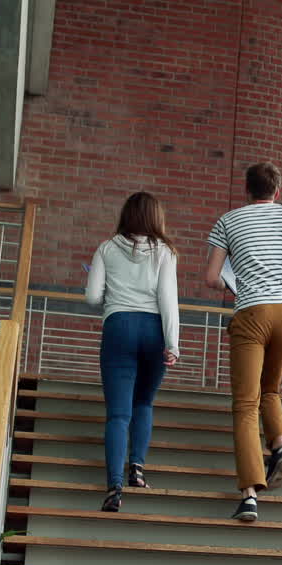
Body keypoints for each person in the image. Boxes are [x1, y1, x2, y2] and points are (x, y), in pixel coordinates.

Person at [206, 162, 282, 522]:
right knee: (271, 389)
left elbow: (211, 278)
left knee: (245, 403)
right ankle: (279, 446)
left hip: (252, 316)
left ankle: (250, 494)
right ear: (276, 192)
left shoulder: (228, 221)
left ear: (246, 190)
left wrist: (234, 278)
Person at [85, 192, 180, 512]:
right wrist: (173, 343)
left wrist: (113, 293)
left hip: (118, 327)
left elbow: (92, 297)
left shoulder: (106, 248)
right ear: (156, 218)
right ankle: (136, 470)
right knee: (144, 402)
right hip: (154, 331)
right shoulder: (164, 252)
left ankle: (113, 487)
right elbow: (168, 300)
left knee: (118, 413)